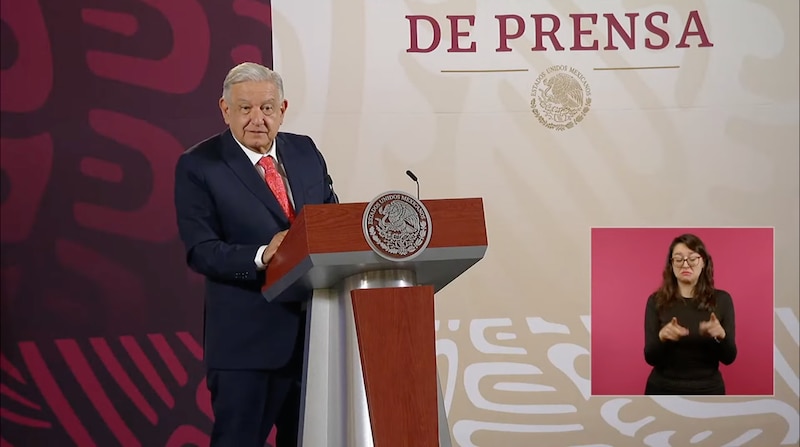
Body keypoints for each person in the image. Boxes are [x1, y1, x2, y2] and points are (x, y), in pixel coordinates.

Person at [173, 62, 337, 446]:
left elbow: (330, 218)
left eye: (266, 108)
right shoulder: (199, 166)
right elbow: (202, 251)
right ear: (225, 110)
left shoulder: (305, 151)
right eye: (244, 108)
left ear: (282, 109)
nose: (256, 119)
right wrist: (265, 254)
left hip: (316, 341)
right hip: (246, 347)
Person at [643, 233, 737, 395]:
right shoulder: (656, 301)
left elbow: (729, 358)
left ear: (703, 262)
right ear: (671, 265)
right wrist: (662, 337)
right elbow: (650, 358)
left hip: (708, 389)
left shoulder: (722, 300)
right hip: (663, 389)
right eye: (678, 259)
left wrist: (721, 336)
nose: (685, 265)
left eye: (692, 259)